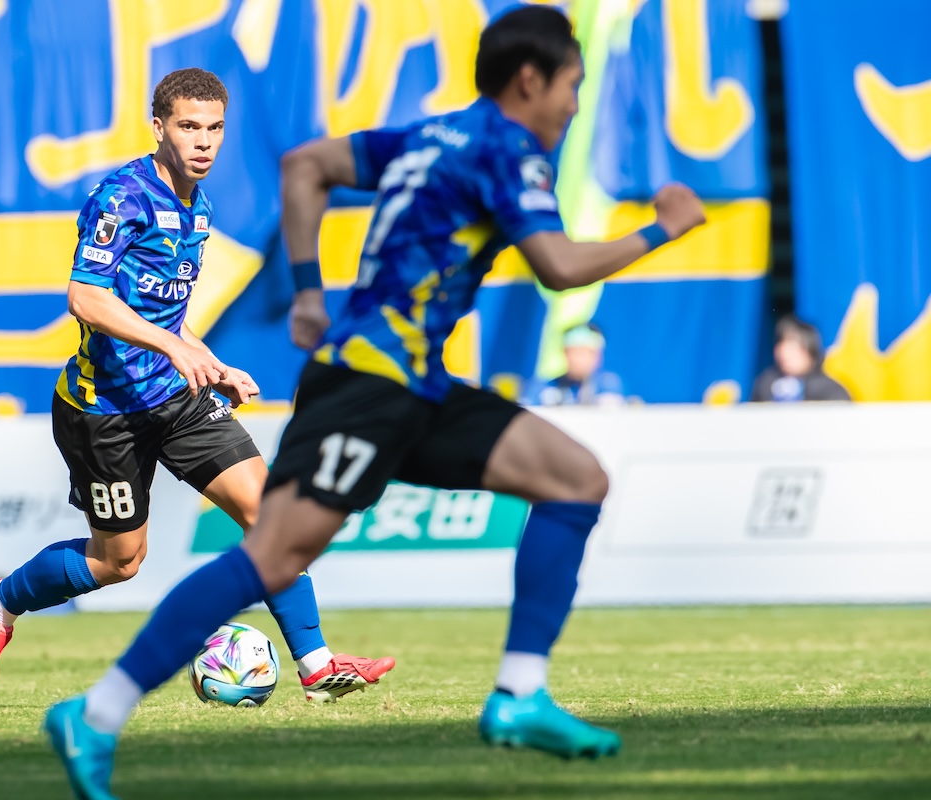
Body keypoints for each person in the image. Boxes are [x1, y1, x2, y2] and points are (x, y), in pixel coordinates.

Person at [43, 9, 705, 796]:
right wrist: (662, 230)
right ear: (531, 81)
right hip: (367, 387)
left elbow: (306, 166)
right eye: (572, 86)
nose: (573, 104)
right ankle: (97, 713)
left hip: (413, 383)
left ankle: (520, 695)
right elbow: (558, 267)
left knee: (576, 479)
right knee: (272, 555)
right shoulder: (507, 150)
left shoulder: (431, 136)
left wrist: (308, 294)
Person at [0, 68, 393, 703]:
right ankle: (0, 599)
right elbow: (86, 297)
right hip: (104, 410)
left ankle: (317, 666)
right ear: (159, 126)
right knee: (118, 561)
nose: (204, 141)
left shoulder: (198, 206)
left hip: (176, 398)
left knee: (271, 514)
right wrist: (173, 347)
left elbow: (164, 312)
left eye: (215, 128)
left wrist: (208, 360)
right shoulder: (122, 198)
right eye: (189, 127)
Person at [749, 315, 851, 402]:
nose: (785, 354)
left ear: (810, 351)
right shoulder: (765, 383)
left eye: (792, 348)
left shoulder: (830, 389)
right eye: (781, 347)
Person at [522, 322, 625, 406]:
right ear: (564, 353)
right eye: (575, 352)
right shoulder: (544, 388)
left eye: (586, 353)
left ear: (598, 356)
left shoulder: (607, 385)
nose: (578, 359)